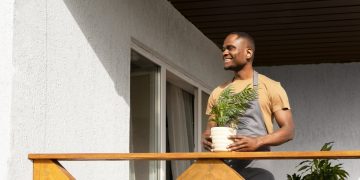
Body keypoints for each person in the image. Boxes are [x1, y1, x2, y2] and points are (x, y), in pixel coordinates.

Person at [202, 32, 295, 180]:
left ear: (248, 53)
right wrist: (207, 136)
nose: (224, 53)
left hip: (258, 171)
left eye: (230, 48)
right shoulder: (218, 92)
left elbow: (288, 131)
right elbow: (210, 129)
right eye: (223, 49)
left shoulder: (270, 86)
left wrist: (257, 141)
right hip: (223, 172)